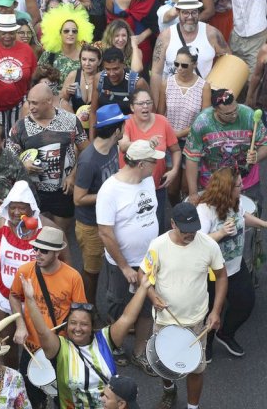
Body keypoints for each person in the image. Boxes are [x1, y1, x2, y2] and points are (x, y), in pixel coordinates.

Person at [22, 265, 150, 409]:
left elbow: (127, 318)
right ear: (66, 326)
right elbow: (42, 332)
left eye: (84, 324)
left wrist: (143, 288)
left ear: (91, 328)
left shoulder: (105, 339)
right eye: (73, 323)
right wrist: (30, 300)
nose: (78, 328)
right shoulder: (60, 348)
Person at [139, 202, 228, 409]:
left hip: (196, 321)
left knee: (196, 369)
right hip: (165, 320)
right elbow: (143, 273)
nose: (191, 234)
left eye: (194, 229)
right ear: (173, 224)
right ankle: (169, 391)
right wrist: (152, 296)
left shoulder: (208, 245)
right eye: (186, 230)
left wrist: (216, 311)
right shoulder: (158, 245)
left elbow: (222, 276)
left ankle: (192, 407)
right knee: (164, 364)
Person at [0, 180, 63, 367]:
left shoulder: (48, 228)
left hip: (39, 299)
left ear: (32, 208)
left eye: (22, 208)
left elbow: (65, 262)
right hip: (5, 298)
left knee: (40, 343)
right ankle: (13, 378)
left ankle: (37, 383)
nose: (16, 212)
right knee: (7, 344)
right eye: (13, 207)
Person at [197, 168, 267, 358]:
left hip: (234, 266)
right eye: (239, 185)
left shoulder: (236, 202)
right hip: (211, 272)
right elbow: (199, 243)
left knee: (245, 303)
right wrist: (221, 233)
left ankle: (226, 334)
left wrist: (264, 224)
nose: (243, 187)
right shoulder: (205, 210)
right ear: (227, 188)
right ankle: (205, 344)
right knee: (208, 311)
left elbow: (243, 216)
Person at [96, 139, 160, 373]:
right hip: (121, 264)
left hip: (148, 261)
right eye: (154, 161)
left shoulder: (147, 180)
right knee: (117, 304)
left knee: (146, 308)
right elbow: (105, 232)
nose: (157, 165)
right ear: (141, 164)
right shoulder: (110, 190)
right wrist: (124, 267)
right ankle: (115, 346)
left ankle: (140, 351)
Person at [9, 226, 85, 409]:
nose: (38, 254)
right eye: (36, 249)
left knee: (63, 400)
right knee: (33, 399)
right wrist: (20, 325)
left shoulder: (73, 277)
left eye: (44, 251)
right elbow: (13, 295)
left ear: (58, 252)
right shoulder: (25, 271)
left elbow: (81, 312)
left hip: (60, 349)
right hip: (31, 349)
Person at [6, 83, 89, 232]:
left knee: (57, 235)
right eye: (29, 102)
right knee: (33, 235)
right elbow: (8, 157)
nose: (30, 107)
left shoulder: (70, 120)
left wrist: (73, 176)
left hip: (63, 191)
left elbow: (86, 151)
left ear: (49, 101)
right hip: (33, 191)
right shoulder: (20, 127)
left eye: (35, 103)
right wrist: (23, 165)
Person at [74, 104, 127, 309]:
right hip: (90, 226)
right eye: (122, 126)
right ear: (116, 131)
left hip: (108, 220)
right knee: (91, 272)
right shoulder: (89, 160)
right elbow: (78, 198)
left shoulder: (113, 147)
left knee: (111, 264)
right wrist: (108, 194)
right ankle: (88, 309)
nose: (124, 129)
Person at [184, 88, 267, 206]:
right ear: (215, 110)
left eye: (236, 109)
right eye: (228, 114)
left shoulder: (248, 115)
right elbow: (191, 158)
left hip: (246, 181)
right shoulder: (202, 122)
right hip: (214, 182)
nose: (234, 115)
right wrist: (193, 193)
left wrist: (257, 156)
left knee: (252, 216)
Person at [118, 90, 181, 234]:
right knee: (132, 227)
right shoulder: (126, 121)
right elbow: (123, 145)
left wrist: (174, 170)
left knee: (156, 226)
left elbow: (176, 150)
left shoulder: (162, 121)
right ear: (132, 107)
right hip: (131, 185)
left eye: (148, 102)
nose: (145, 107)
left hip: (156, 186)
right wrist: (147, 143)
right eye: (140, 103)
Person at [149, 0, 230, 102]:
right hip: (171, 101)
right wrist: (155, 105)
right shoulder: (165, 37)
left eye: (194, 12)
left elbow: (229, 61)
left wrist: (217, 92)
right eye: (186, 12)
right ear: (178, 12)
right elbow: (156, 73)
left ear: (199, 11)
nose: (190, 17)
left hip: (203, 100)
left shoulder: (212, 33)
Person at [156, 46, 211, 206]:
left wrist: (179, 134)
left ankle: (188, 216)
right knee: (171, 188)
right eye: (176, 64)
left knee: (188, 188)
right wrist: (170, 136)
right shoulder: (167, 84)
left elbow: (204, 120)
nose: (179, 68)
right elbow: (160, 114)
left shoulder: (203, 86)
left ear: (194, 65)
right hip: (170, 142)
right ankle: (177, 212)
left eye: (184, 65)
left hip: (193, 142)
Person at [0, 14, 37, 136]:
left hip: (20, 105)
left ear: (16, 31)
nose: (7, 36)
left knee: (18, 139)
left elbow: (34, 78)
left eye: (11, 32)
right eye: (3, 33)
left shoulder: (26, 50)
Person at [38, 3, 94, 88]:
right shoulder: (49, 55)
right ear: (59, 33)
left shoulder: (85, 55)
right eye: (66, 31)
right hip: (52, 98)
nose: (71, 34)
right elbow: (38, 78)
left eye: (74, 31)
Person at [89, 48, 149, 124]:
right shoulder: (99, 79)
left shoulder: (137, 83)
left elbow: (150, 113)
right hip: (104, 131)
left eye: (115, 69)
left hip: (129, 130)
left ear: (123, 65)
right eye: (107, 69)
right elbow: (93, 112)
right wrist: (92, 136)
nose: (111, 73)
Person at [59, 44, 101, 115]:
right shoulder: (73, 75)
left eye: (91, 60)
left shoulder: (103, 78)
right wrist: (67, 92)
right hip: (75, 122)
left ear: (99, 61)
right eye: (84, 59)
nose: (87, 63)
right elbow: (61, 100)